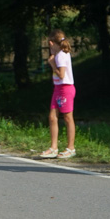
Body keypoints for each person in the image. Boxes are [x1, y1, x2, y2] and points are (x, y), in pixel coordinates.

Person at [39, 30, 76, 159]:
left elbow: (61, 74)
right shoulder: (60, 54)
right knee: (52, 117)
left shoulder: (60, 56)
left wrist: (52, 64)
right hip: (58, 89)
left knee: (67, 117)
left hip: (65, 89)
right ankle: (53, 147)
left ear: (51, 42)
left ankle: (70, 148)